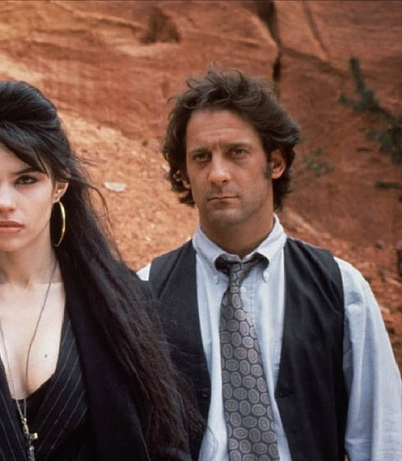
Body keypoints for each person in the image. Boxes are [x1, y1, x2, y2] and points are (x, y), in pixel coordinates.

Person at [0, 80, 194, 460]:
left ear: (59, 185)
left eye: (26, 180)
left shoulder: (124, 304)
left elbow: (164, 446)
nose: (4, 202)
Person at [139, 67, 402, 461]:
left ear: (275, 163)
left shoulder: (341, 288)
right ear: (184, 174)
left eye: (236, 153)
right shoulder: (145, 292)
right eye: (201, 157)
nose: (218, 174)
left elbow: (383, 440)